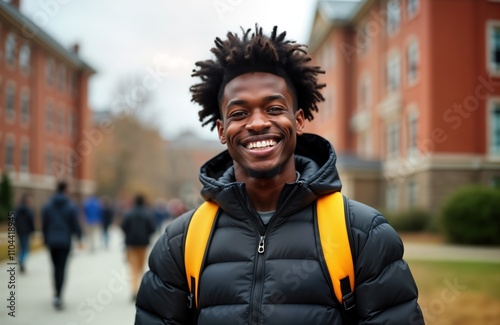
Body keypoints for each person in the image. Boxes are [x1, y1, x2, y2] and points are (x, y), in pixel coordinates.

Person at [135, 26, 424, 324]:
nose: (258, 123)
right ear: (222, 131)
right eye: (239, 113)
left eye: (274, 108)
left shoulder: (363, 234)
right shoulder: (180, 242)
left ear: (297, 120)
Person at [42, 181, 82, 310]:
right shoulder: (70, 206)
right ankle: (59, 294)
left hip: (52, 242)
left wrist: (45, 239)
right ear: (65, 190)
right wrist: (79, 237)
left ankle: (56, 293)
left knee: (55, 268)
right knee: (62, 268)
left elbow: (44, 224)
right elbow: (75, 224)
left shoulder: (48, 206)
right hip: (64, 242)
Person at [120, 194, 156, 301]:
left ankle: (134, 290)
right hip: (143, 244)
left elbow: (123, 226)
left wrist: (128, 235)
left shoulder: (128, 213)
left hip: (131, 244)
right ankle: (139, 289)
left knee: (133, 268)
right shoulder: (148, 214)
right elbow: (152, 228)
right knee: (140, 267)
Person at [14, 193, 35, 274]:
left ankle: (20, 259)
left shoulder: (17, 209)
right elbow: (31, 222)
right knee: (25, 248)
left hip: (20, 231)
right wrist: (32, 231)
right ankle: (22, 260)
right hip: (26, 232)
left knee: (21, 247)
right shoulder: (28, 210)